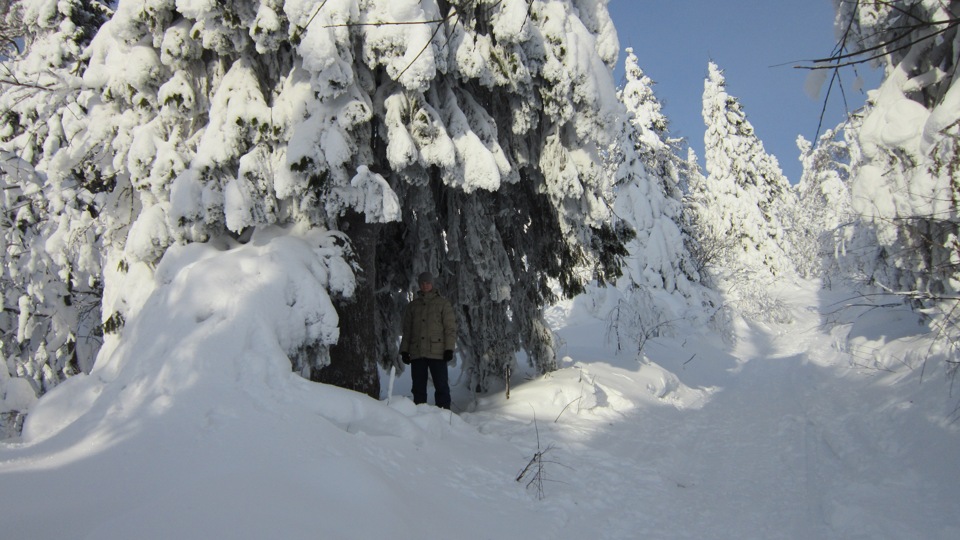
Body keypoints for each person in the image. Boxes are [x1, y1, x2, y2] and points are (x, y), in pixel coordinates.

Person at [400, 271, 457, 409]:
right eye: (423, 283)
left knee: (441, 385)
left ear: (432, 284)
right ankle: (420, 414)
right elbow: (407, 330)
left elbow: (450, 329)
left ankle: (444, 414)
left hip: (437, 352)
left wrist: (449, 349)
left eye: (428, 283)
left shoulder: (443, 304)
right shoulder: (413, 306)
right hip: (417, 352)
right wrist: (404, 350)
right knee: (418, 387)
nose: (425, 286)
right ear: (419, 285)